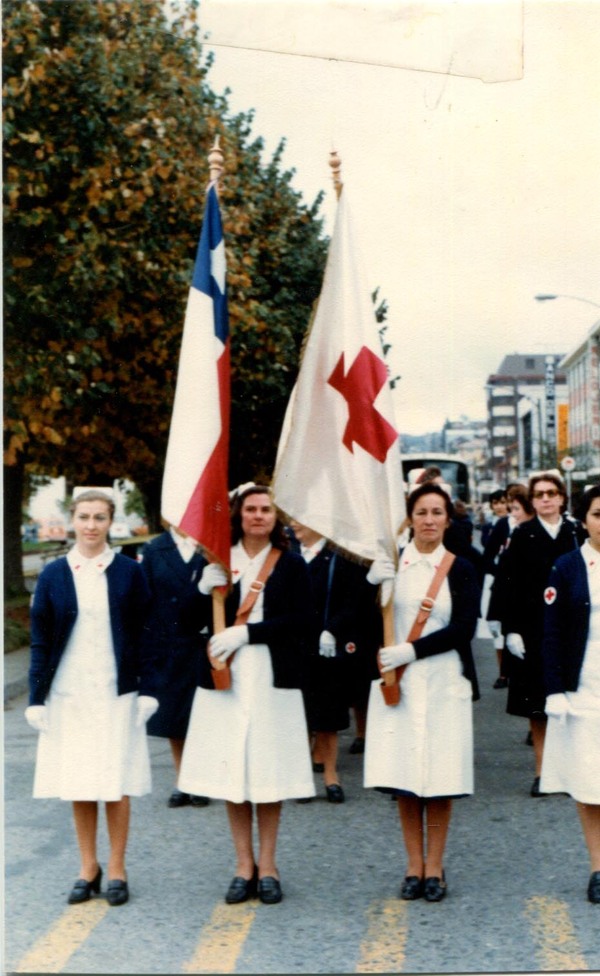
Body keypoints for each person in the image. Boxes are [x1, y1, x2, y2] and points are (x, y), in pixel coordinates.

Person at [178, 485, 315, 905]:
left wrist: (250, 631)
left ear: (276, 517)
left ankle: (269, 865)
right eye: (251, 509)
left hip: (272, 676)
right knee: (232, 773)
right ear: (238, 515)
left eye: (266, 510)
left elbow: (304, 620)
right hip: (226, 679)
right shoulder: (216, 560)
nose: (258, 516)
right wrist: (202, 590)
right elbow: (184, 621)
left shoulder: (290, 564)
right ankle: (243, 865)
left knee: (268, 774)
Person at [25, 490, 157, 907]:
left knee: (115, 783)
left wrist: (148, 690)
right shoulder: (53, 574)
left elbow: (147, 634)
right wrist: (36, 697)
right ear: (72, 521)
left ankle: (117, 867)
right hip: (70, 692)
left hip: (116, 692)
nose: (91, 526)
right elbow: (40, 640)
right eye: (84, 517)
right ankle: (88, 866)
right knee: (79, 781)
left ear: (110, 522)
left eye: (100, 518)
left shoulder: (129, 572)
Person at [364, 483, 480, 902]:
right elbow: (365, 621)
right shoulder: (393, 564)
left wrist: (411, 648)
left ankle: (436, 866)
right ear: (409, 519)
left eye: (437, 512)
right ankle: (413, 865)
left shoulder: (462, 567)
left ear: (448, 519)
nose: (429, 520)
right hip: (400, 683)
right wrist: (370, 585)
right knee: (406, 777)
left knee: (440, 776)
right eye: (421, 512)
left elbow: (463, 629)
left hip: (444, 678)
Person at [500, 472, 585, 796]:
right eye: (539, 494)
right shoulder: (523, 534)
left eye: (552, 493)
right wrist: (510, 630)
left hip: (573, 628)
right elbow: (509, 584)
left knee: (575, 698)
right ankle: (542, 771)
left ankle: (574, 771)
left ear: (562, 497)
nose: (546, 499)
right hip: (534, 627)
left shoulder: (577, 531)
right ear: (532, 501)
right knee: (537, 703)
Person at [289, 520, 381, 803]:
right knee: (298, 716)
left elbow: (353, 602)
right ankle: (301, 778)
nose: (294, 525)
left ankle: (331, 777)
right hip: (294, 647)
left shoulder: (339, 558)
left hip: (327, 647)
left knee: (327, 716)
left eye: (301, 520)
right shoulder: (289, 556)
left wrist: (333, 629)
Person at [539, 485, 600, 904]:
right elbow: (553, 632)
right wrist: (556, 689)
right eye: (599, 513)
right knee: (589, 783)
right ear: (584, 520)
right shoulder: (568, 566)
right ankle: (598, 866)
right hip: (587, 689)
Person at [139, 528, 210, 808]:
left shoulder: (210, 545)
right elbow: (145, 600)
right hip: (167, 645)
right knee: (174, 719)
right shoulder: (156, 549)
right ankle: (183, 780)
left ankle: (202, 779)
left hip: (201, 642)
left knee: (201, 716)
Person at [482, 484, 533, 689]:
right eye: (510, 507)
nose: (512, 513)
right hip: (505, 589)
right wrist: (500, 573)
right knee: (504, 633)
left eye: (516, 508)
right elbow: (488, 557)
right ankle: (504, 673)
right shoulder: (504, 525)